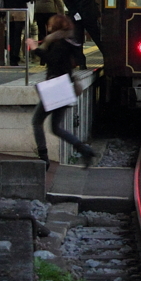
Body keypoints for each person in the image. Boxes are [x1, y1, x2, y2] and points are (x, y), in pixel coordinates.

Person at [26, 14, 95, 170]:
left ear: (55, 27)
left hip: (56, 87)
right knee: (56, 127)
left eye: (50, 25)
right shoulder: (68, 41)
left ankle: (44, 158)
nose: (48, 27)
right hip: (65, 87)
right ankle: (84, 150)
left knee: (37, 121)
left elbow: (52, 61)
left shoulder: (60, 43)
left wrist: (35, 49)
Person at [61, 0, 103, 68]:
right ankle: (108, 58)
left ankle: (81, 63)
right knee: (97, 37)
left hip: (76, 16)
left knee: (78, 40)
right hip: (90, 13)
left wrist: (74, 11)